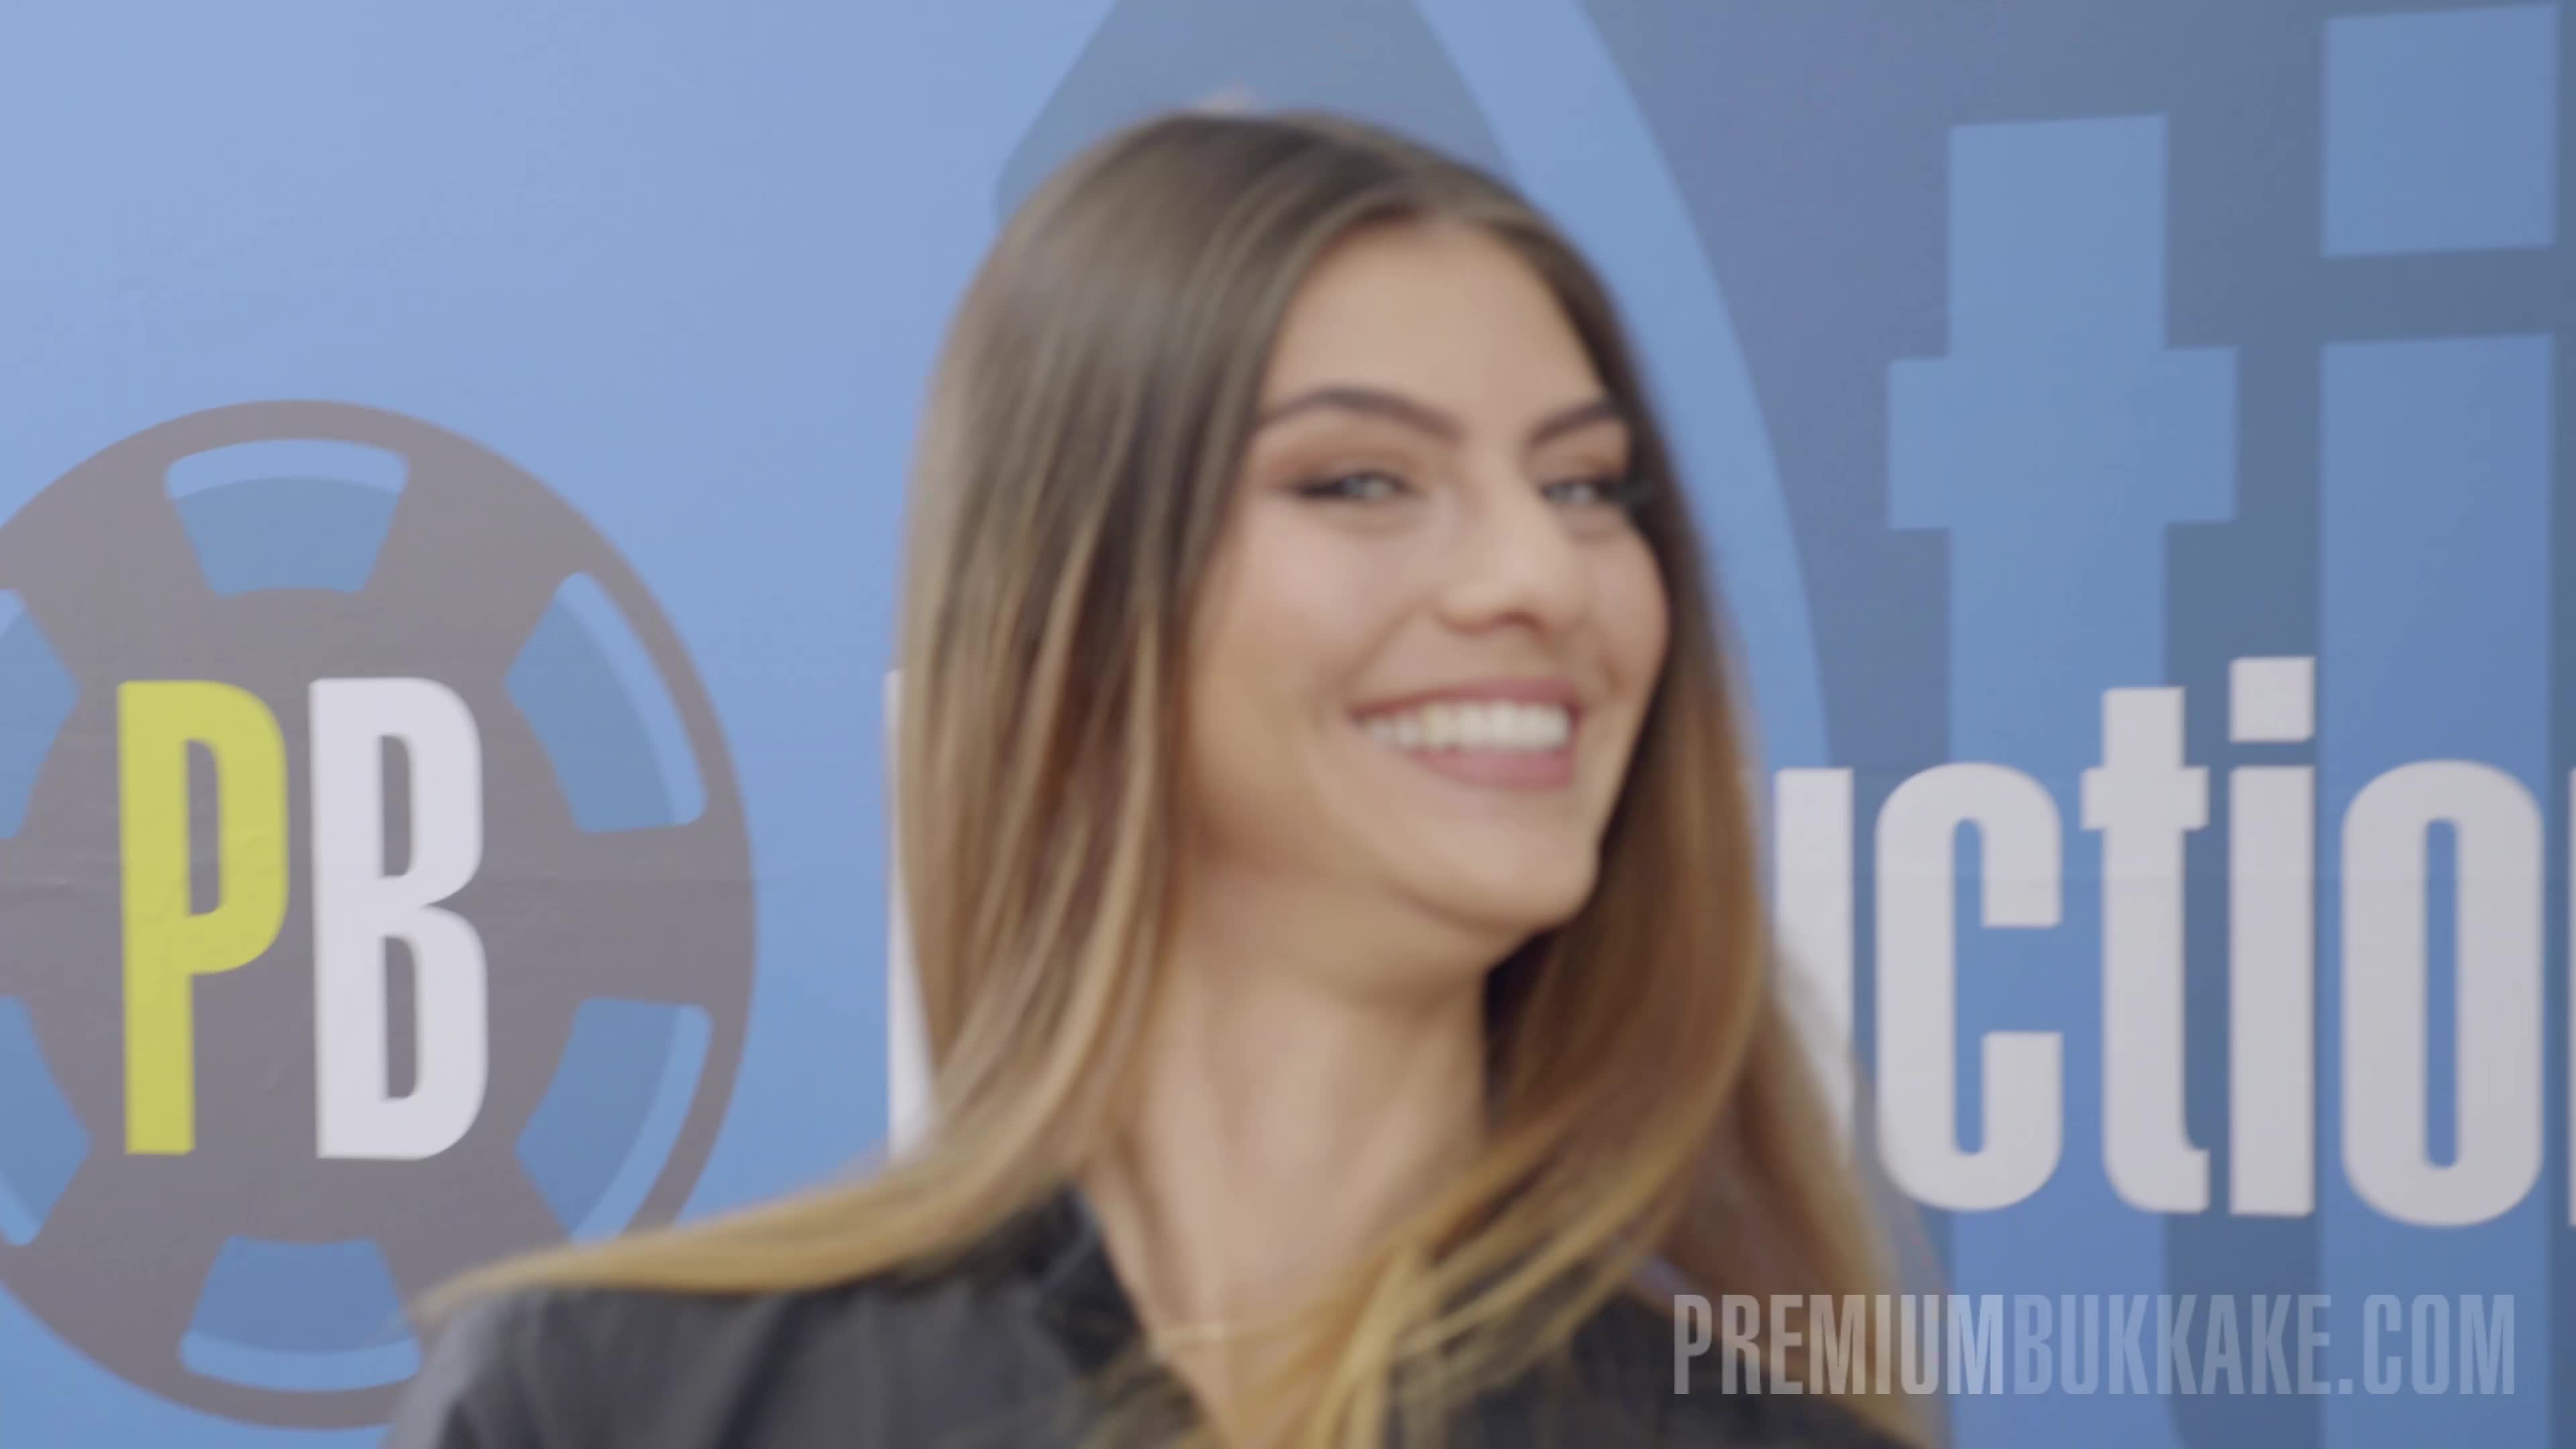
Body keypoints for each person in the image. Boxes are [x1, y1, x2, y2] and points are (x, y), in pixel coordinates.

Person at [388, 108, 1933, 1449]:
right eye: (1362, 480)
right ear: (1074, 602)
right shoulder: (610, 1404)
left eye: (1585, 485)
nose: (1542, 573)